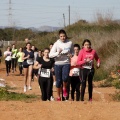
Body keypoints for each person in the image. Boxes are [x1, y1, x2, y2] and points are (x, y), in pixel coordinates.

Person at [49, 29, 74, 101]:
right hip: (58, 64)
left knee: (65, 78)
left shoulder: (70, 43)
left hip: (66, 63)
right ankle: (58, 96)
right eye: (61, 36)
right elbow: (50, 55)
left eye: (64, 36)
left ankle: (64, 88)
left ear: (66, 36)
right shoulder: (56, 43)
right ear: (59, 37)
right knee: (58, 81)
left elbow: (72, 51)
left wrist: (71, 55)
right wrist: (58, 53)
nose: (63, 38)